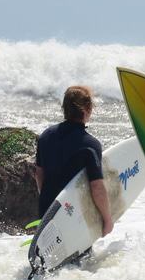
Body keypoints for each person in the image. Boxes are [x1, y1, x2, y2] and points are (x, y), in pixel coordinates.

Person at [35, 86, 113, 237]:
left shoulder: (46, 136)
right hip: (74, 214)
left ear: (64, 108)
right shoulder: (90, 145)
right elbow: (97, 186)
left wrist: (48, 200)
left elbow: (39, 174)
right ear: (88, 108)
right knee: (81, 259)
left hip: (48, 210)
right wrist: (107, 219)